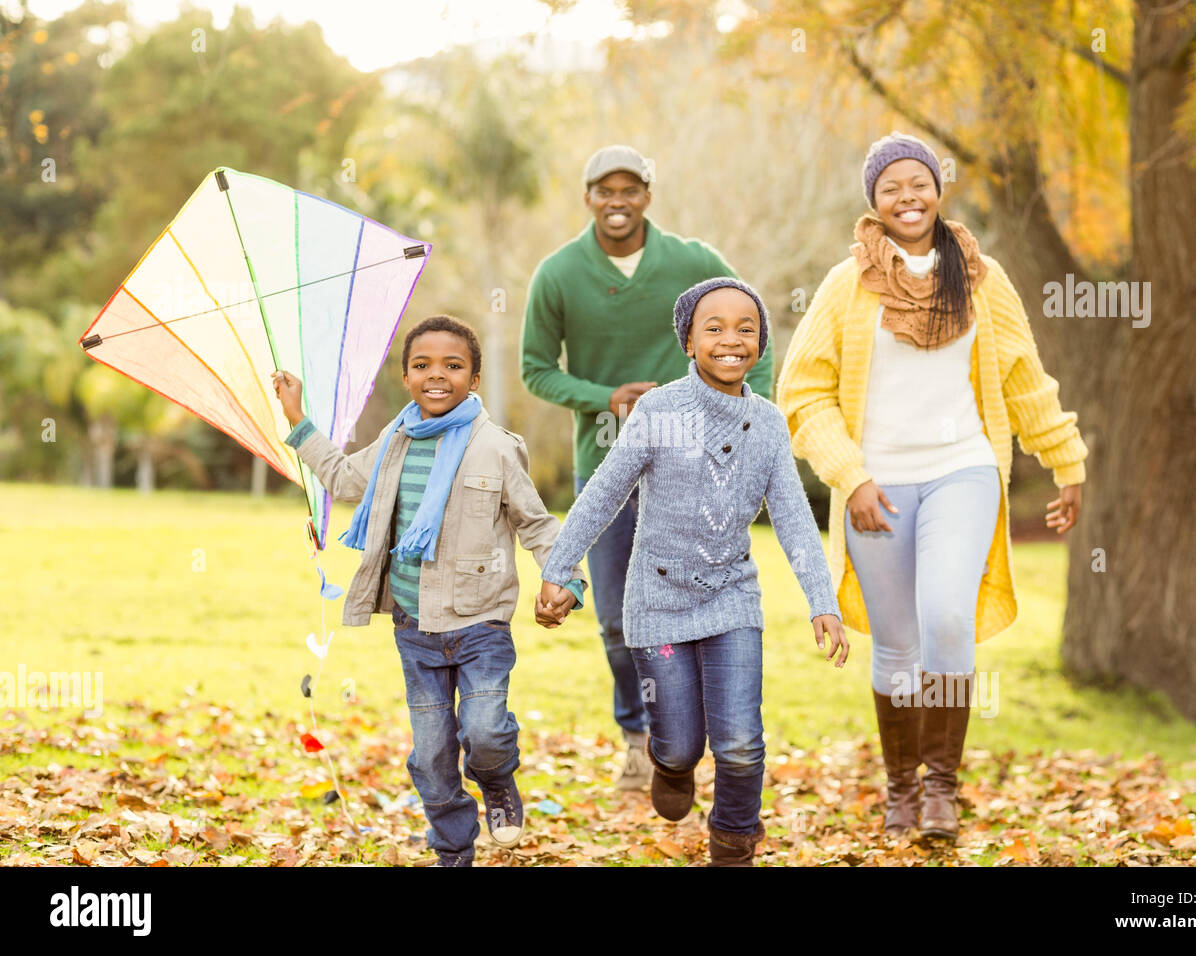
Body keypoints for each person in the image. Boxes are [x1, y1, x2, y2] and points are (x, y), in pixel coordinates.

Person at [776, 132, 1087, 842]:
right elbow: (802, 392)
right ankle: (901, 790)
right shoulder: (845, 284)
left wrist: (1066, 463)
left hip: (963, 469)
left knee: (947, 616)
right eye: (891, 188)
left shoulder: (982, 277)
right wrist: (849, 476)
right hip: (875, 484)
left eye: (918, 182)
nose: (907, 196)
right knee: (896, 644)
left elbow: (1023, 379)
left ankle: (943, 787)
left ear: (937, 189)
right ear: (875, 204)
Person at [535, 277, 847, 866]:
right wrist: (559, 564)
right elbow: (605, 492)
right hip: (658, 603)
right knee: (680, 743)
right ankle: (671, 765)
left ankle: (733, 841)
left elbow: (795, 520)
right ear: (688, 341)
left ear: (759, 342)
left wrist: (821, 600)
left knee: (739, 742)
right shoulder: (659, 411)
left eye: (746, 328)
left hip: (732, 598)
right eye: (715, 328)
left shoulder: (770, 425)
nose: (731, 340)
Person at [272, 315, 586, 867]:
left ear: (475, 377)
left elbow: (536, 523)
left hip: (480, 622)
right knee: (432, 756)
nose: (436, 375)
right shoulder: (396, 440)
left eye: (452, 365)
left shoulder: (496, 446)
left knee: (485, 732)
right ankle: (452, 851)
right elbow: (346, 479)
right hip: (414, 628)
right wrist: (298, 419)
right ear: (406, 375)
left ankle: (495, 780)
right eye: (422, 366)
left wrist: (565, 578)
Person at [521, 144, 775, 789]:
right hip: (604, 459)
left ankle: (692, 738)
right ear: (588, 197)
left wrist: (750, 422)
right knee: (615, 616)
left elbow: (752, 334)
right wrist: (602, 398)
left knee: (704, 606)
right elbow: (536, 370)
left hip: (696, 473)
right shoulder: (558, 274)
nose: (617, 200)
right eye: (604, 190)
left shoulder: (691, 261)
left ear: (647, 195)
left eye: (629, 189)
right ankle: (640, 734)